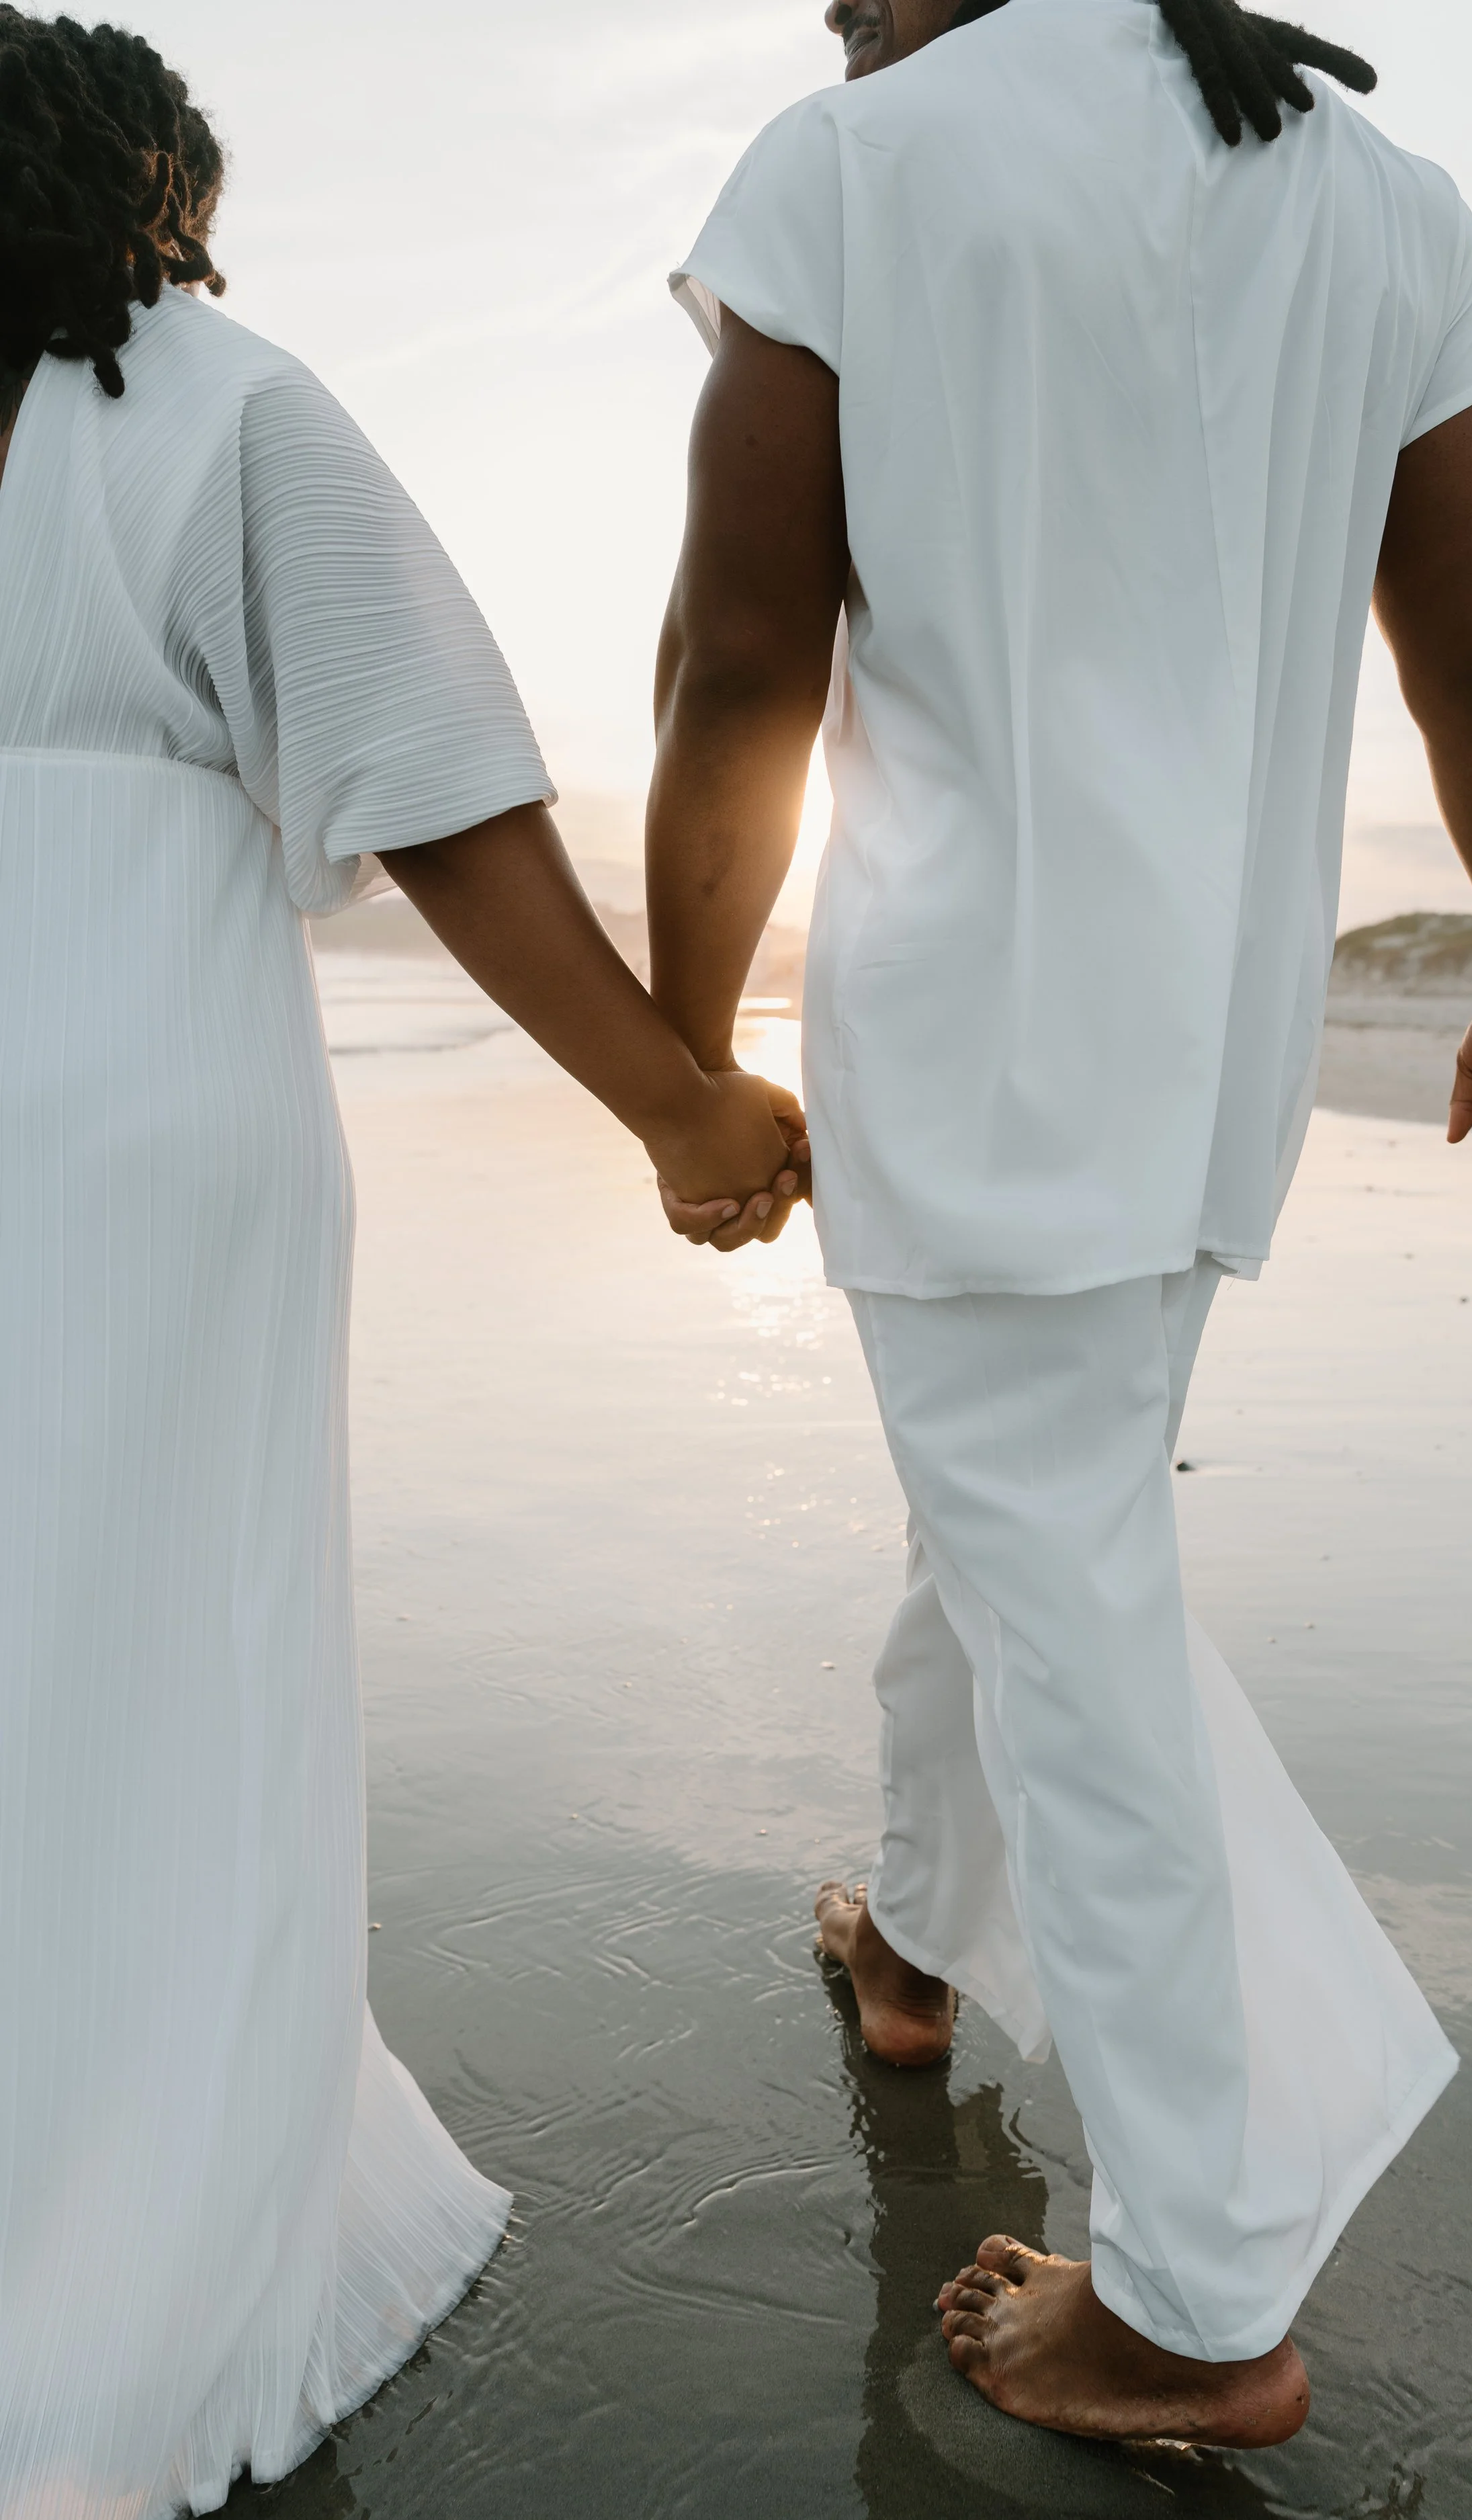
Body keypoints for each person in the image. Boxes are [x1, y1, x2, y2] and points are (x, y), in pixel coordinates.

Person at [650, 0, 1472, 2451]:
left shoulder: (854, 160)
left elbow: (737, 657)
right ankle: (917, 1944)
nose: (821, 4)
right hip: (1213, 1045)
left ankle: (1194, 2288)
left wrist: (681, 1057)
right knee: (1026, 1524)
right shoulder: (1382, 199)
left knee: (1067, 1598)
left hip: (976, 1024)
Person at [0, 15, 801, 2513]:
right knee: (170, 1649)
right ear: (139, 186)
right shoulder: (214, 403)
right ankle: (129, 2224)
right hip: (133, 1092)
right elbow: (431, 779)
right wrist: (676, 1096)